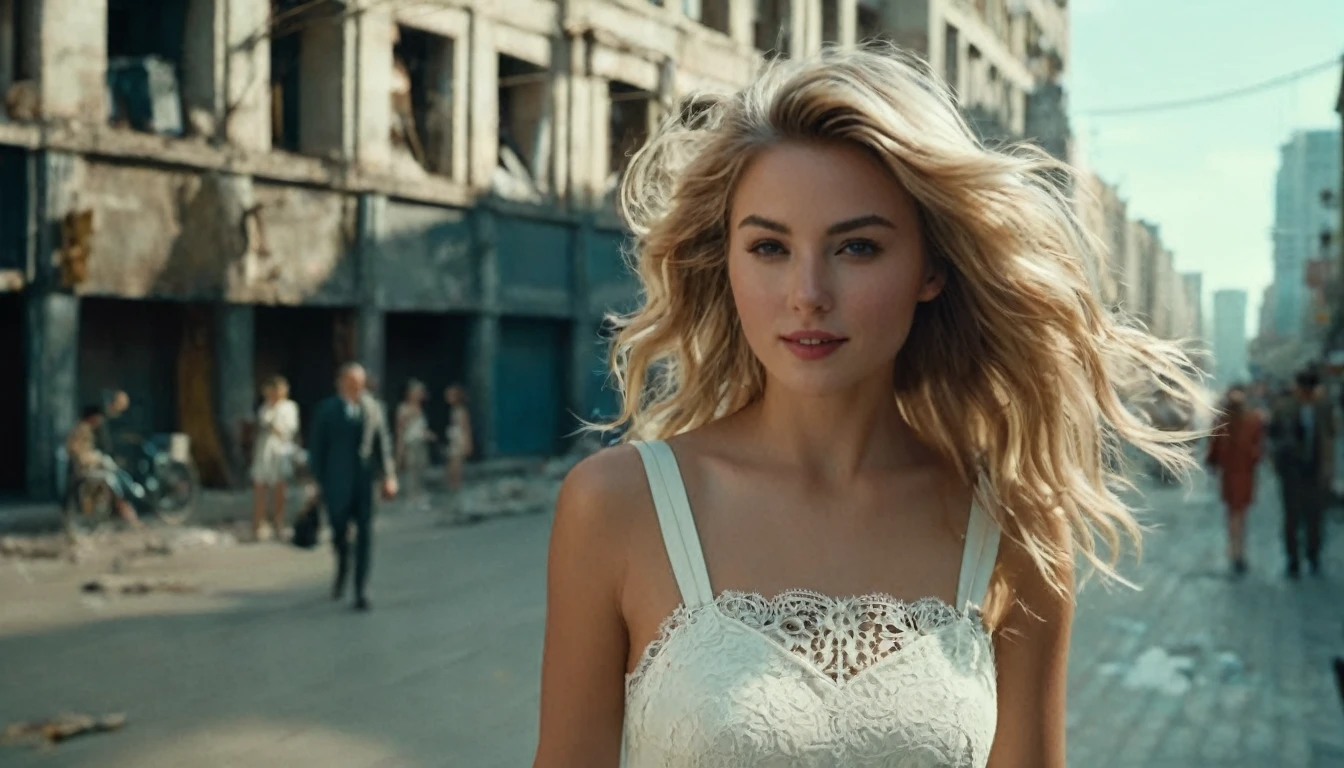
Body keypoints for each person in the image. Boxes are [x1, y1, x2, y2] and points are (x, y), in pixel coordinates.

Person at [532, 45, 1205, 768]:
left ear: (932, 268)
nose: (808, 293)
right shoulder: (617, 505)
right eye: (769, 247)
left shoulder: (1014, 527)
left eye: (856, 247)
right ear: (723, 260)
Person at [308, 363, 398, 611]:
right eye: (350, 381)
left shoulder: (374, 408)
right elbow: (317, 448)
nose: (356, 386)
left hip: (365, 483)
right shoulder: (327, 410)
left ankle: (362, 589)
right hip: (335, 482)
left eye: (359, 381)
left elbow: (383, 444)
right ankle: (342, 565)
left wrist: (389, 476)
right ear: (341, 382)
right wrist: (315, 481)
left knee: (365, 534)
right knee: (338, 530)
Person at [1269, 368, 1335, 578]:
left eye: (1308, 391)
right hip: (1291, 472)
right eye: (1302, 390)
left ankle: (1313, 555)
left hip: (1316, 472)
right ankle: (1293, 559)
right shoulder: (1283, 408)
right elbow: (1272, 434)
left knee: (1315, 517)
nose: (1304, 395)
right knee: (1292, 517)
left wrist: (1328, 467)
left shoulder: (1324, 408)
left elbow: (1331, 434)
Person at [1206, 384, 1265, 575]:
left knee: (1233, 513)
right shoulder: (1254, 420)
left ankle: (1235, 551)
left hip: (1230, 474)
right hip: (1245, 474)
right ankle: (1239, 551)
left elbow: (1213, 449)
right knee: (1241, 514)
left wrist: (1214, 463)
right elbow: (1258, 449)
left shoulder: (1221, 421)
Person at [66, 405, 140, 528]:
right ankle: (124, 506)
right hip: (84, 471)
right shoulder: (80, 430)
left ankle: (126, 499)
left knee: (116, 473)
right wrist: (95, 459)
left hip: (89, 468)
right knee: (111, 479)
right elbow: (77, 452)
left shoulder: (87, 429)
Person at [250, 375, 300, 541]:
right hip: (264, 449)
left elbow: (287, 430)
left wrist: (273, 425)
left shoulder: (289, 408)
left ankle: (279, 522)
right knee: (260, 486)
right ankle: (259, 523)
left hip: (280, 449)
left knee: (279, 486)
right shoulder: (265, 407)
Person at [396, 379, 435, 509]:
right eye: (417, 392)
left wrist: (428, 434)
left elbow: (420, 428)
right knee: (411, 472)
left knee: (422, 469)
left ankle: (421, 497)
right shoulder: (403, 408)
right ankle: (411, 498)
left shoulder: (421, 409)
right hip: (410, 444)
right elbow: (400, 429)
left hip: (421, 443)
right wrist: (400, 449)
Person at [443, 384, 473, 512]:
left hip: (458, 444)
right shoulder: (454, 410)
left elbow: (466, 428)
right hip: (454, 442)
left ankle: (458, 502)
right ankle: (454, 499)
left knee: (456, 472)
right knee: (451, 472)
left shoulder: (461, 411)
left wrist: (467, 444)